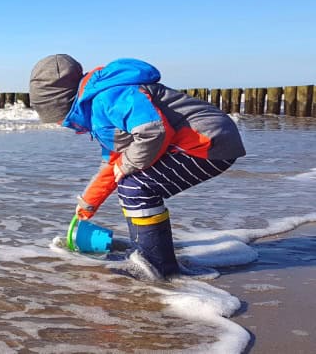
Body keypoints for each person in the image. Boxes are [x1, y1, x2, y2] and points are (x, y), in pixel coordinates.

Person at [29, 54, 246, 278]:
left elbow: (153, 130)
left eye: (58, 118)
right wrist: (89, 202)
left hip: (208, 141)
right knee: (130, 181)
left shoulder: (109, 97)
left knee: (136, 186)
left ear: (63, 102)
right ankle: (148, 252)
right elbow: (112, 165)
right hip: (200, 142)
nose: (60, 124)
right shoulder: (98, 113)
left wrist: (126, 164)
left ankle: (157, 265)